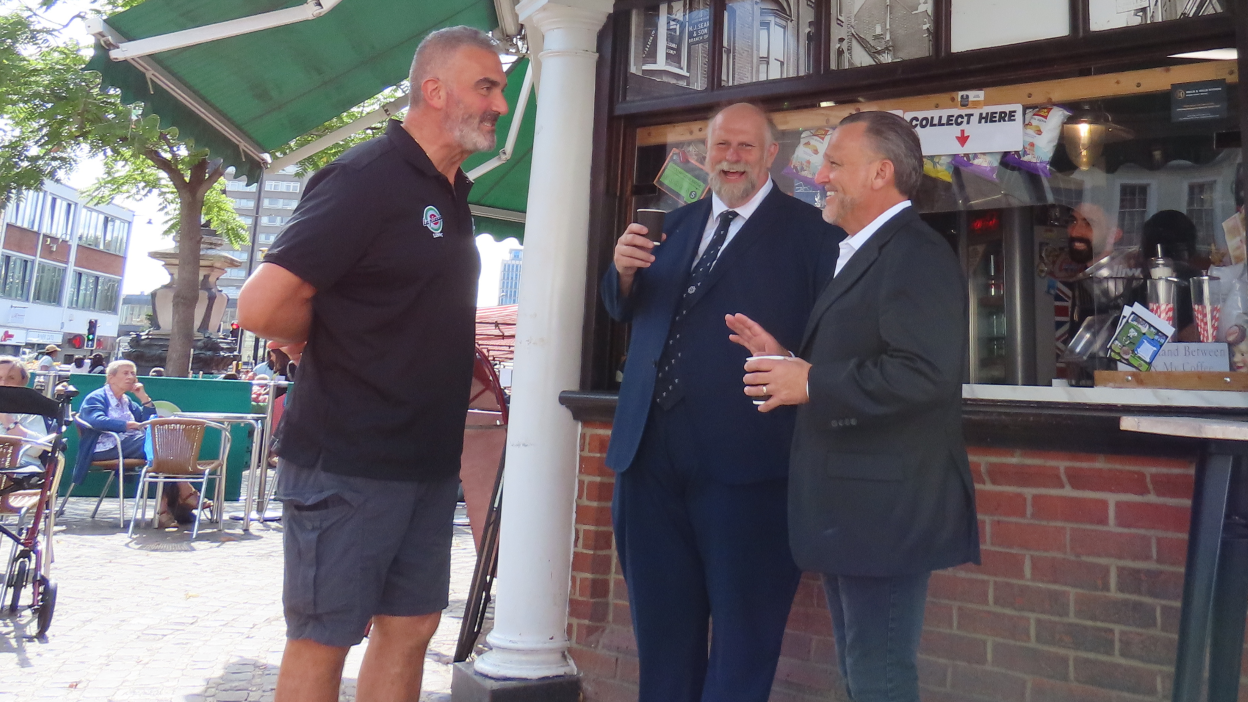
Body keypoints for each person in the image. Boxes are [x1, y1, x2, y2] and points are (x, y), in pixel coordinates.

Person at [236, 26, 508, 702]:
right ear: (433, 90)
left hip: (424, 459)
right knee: (325, 636)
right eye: (487, 86)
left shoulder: (452, 192)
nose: (499, 104)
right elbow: (260, 306)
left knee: (414, 625)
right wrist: (322, 333)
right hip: (347, 459)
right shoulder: (366, 177)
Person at [728, 111, 979, 702]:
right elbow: (870, 359)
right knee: (862, 670)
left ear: (881, 173)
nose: (820, 175)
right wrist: (790, 362)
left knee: (879, 675)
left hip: (884, 511)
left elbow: (925, 375)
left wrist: (810, 383)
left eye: (835, 162)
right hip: (854, 506)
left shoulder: (914, 251)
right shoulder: (865, 248)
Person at [601, 103, 841, 702]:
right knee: (661, 639)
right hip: (648, 460)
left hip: (749, 463)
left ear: (770, 157)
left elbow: (836, 346)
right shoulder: (672, 227)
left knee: (743, 644)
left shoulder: (814, 236)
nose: (730, 158)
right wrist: (622, 274)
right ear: (704, 153)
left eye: (744, 148)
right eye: (720, 146)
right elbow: (620, 309)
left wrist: (791, 359)